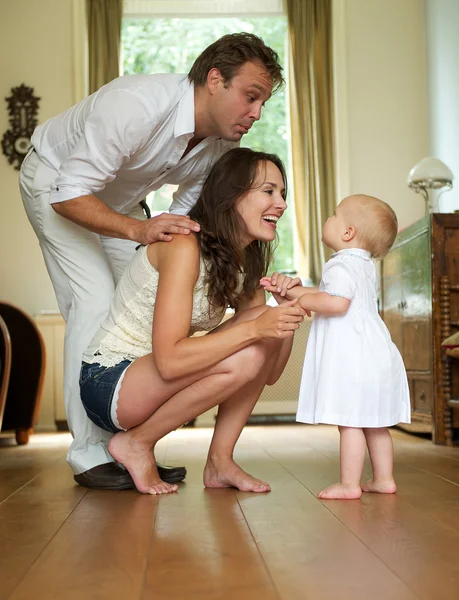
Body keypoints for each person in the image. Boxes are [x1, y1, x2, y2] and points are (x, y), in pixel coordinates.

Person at [18, 33, 284, 490]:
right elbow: (69, 192)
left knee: (146, 309)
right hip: (58, 184)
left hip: (121, 203)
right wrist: (140, 231)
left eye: (262, 102)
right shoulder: (136, 104)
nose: (256, 113)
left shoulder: (218, 147)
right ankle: (90, 453)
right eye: (251, 96)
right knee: (96, 300)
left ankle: (136, 443)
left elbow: (188, 221)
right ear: (215, 80)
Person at [79, 147, 305, 495]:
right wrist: (254, 328)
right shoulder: (184, 246)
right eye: (269, 191)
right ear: (232, 195)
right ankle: (136, 443)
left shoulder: (245, 261)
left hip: (153, 382)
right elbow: (170, 362)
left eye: (283, 194)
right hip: (109, 381)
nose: (282, 204)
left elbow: (267, 372)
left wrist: (286, 309)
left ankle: (220, 462)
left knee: (256, 336)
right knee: (249, 340)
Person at [260, 194, 411, 500]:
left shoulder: (339, 264)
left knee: (351, 421)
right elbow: (330, 293)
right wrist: (294, 290)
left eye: (333, 214)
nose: (328, 218)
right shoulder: (362, 264)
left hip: (355, 357)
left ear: (347, 233)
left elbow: (336, 302)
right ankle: (384, 479)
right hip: (376, 351)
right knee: (376, 423)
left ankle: (349, 484)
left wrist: (301, 300)